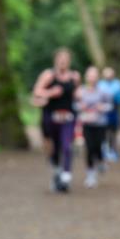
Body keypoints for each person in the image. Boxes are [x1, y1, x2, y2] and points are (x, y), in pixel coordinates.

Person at [32, 48, 82, 192]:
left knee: (66, 146)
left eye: (65, 59)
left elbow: (77, 93)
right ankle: (56, 170)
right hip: (50, 116)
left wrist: (80, 96)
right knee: (53, 147)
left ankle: (66, 176)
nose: (63, 61)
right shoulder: (48, 75)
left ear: (69, 61)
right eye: (60, 58)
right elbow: (36, 91)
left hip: (68, 117)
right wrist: (50, 93)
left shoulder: (74, 76)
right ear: (55, 60)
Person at [76, 66, 113, 188]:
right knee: (89, 148)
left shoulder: (103, 91)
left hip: (100, 123)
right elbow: (75, 105)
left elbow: (110, 106)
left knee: (98, 146)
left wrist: (102, 107)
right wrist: (81, 107)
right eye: (90, 76)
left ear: (98, 77)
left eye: (94, 76)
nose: (92, 78)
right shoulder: (81, 91)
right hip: (86, 123)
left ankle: (101, 161)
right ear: (86, 77)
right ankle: (90, 175)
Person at [98, 66, 120, 162]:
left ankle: (113, 150)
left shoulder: (117, 84)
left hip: (114, 110)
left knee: (113, 132)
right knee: (103, 132)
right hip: (103, 112)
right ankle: (104, 150)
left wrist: (114, 98)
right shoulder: (100, 84)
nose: (108, 76)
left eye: (110, 74)